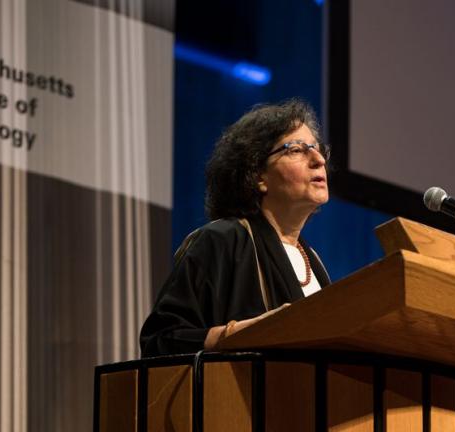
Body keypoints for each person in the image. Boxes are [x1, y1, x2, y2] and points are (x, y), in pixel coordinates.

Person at [139, 99, 331, 357]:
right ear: (257, 175)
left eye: (317, 148)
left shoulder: (313, 259)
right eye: (296, 149)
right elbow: (160, 340)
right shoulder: (221, 240)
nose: (318, 159)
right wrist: (238, 335)